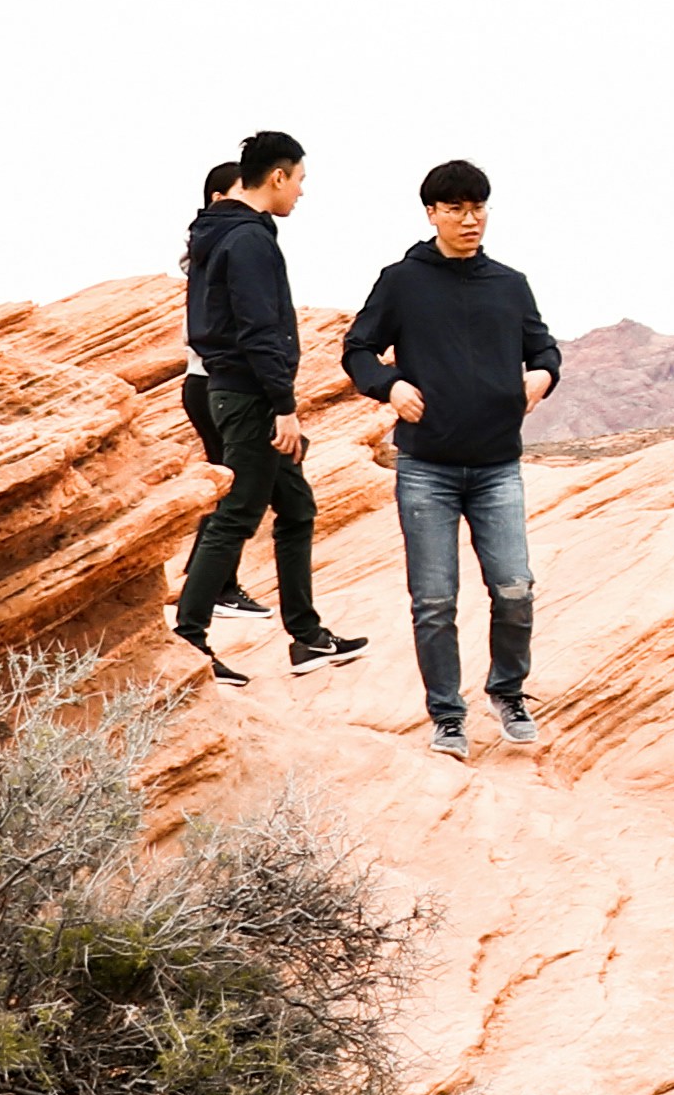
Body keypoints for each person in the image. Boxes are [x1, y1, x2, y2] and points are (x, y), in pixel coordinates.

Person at [345, 159, 563, 759]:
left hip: (496, 466)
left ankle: (508, 692)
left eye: (479, 208)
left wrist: (542, 374)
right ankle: (447, 715)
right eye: (457, 210)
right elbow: (358, 348)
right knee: (435, 600)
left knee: (515, 588)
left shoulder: (509, 283)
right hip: (427, 469)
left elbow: (543, 347)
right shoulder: (401, 280)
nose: (471, 221)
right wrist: (388, 385)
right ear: (432, 214)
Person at [172, 132, 361, 684]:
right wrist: (283, 405)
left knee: (296, 508)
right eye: (299, 179)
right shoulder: (247, 240)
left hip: (239, 389)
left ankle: (307, 638)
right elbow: (258, 328)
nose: (302, 191)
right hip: (251, 395)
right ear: (277, 176)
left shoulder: (225, 232)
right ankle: (189, 638)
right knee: (237, 514)